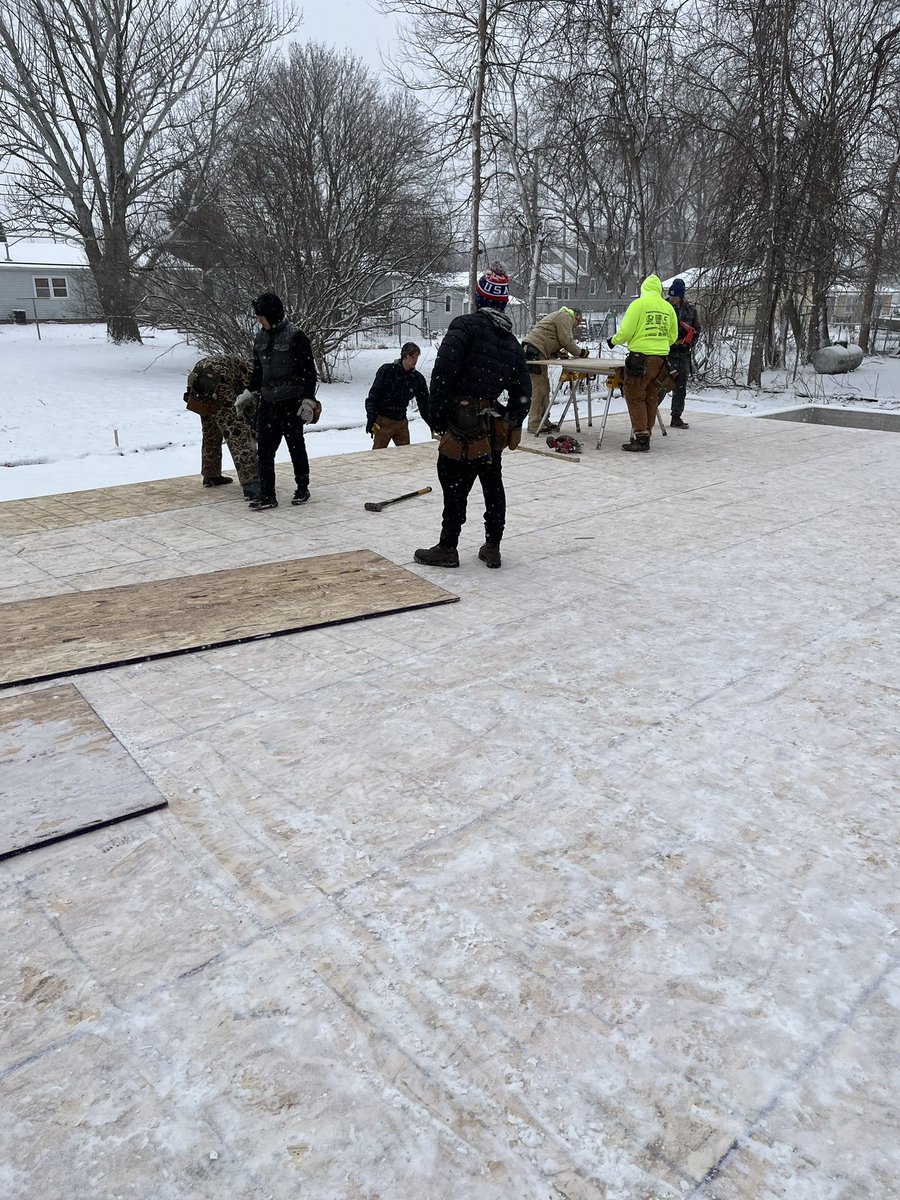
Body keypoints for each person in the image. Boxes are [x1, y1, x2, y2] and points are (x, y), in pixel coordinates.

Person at [414, 261, 531, 570]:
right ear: (502, 304)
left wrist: (437, 417)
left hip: (461, 422)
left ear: (479, 299)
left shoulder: (464, 326)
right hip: (490, 428)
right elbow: (523, 392)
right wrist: (510, 421)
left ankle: (447, 547)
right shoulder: (510, 342)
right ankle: (492, 546)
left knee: (454, 483)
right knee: (492, 485)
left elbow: (443, 374)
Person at [235, 292, 318, 511]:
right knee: (264, 450)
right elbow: (258, 371)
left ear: (271, 315)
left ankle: (302, 487)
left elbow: (309, 372)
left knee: (295, 446)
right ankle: (267, 494)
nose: (258, 320)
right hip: (268, 402)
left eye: (260, 316)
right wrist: (248, 392)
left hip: (291, 401)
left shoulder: (296, 336)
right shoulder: (260, 338)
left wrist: (308, 400)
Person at [608, 274, 677, 452]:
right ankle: (646, 434)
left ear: (643, 289)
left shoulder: (638, 304)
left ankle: (641, 437)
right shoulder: (667, 308)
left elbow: (626, 331)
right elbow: (673, 336)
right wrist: (658, 344)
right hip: (661, 361)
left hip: (640, 359)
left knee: (634, 395)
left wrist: (613, 341)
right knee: (651, 396)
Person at [184, 355, 260, 500]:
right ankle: (252, 485)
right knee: (238, 434)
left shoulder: (238, 363)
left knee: (211, 430)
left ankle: (211, 475)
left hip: (199, 380)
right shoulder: (253, 372)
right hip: (218, 383)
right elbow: (250, 404)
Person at [521, 306, 590, 434]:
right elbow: (566, 341)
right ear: (576, 316)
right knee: (539, 389)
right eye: (578, 323)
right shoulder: (565, 316)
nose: (575, 327)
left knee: (544, 387)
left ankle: (543, 419)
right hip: (534, 351)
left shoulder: (560, 317)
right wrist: (580, 352)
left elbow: (550, 338)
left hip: (536, 350)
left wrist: (558, 353)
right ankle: (534, 423)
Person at [365, 342, 429, 448]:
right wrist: (371, 418)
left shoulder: (417, 378)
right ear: (405, 356)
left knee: (405, 453)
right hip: (383, 421)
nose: (415, 360)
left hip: (401, 422)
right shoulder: (387, 371)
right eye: (412, 357)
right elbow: (373, 397)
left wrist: (433, 424)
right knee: (378, 454)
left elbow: (424, 403)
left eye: (417, 357)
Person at [665, 278, 701, 429]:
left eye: (675, 296)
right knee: (661, 385)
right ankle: (650, 414)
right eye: (671, 295)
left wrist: (688, 343)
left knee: (680, 387)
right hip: (666, 353)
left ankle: (676, 417)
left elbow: (697, 330)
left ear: (681, 296)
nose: (672, 299)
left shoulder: (690, 310)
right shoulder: (663, 307)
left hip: (683, 354)